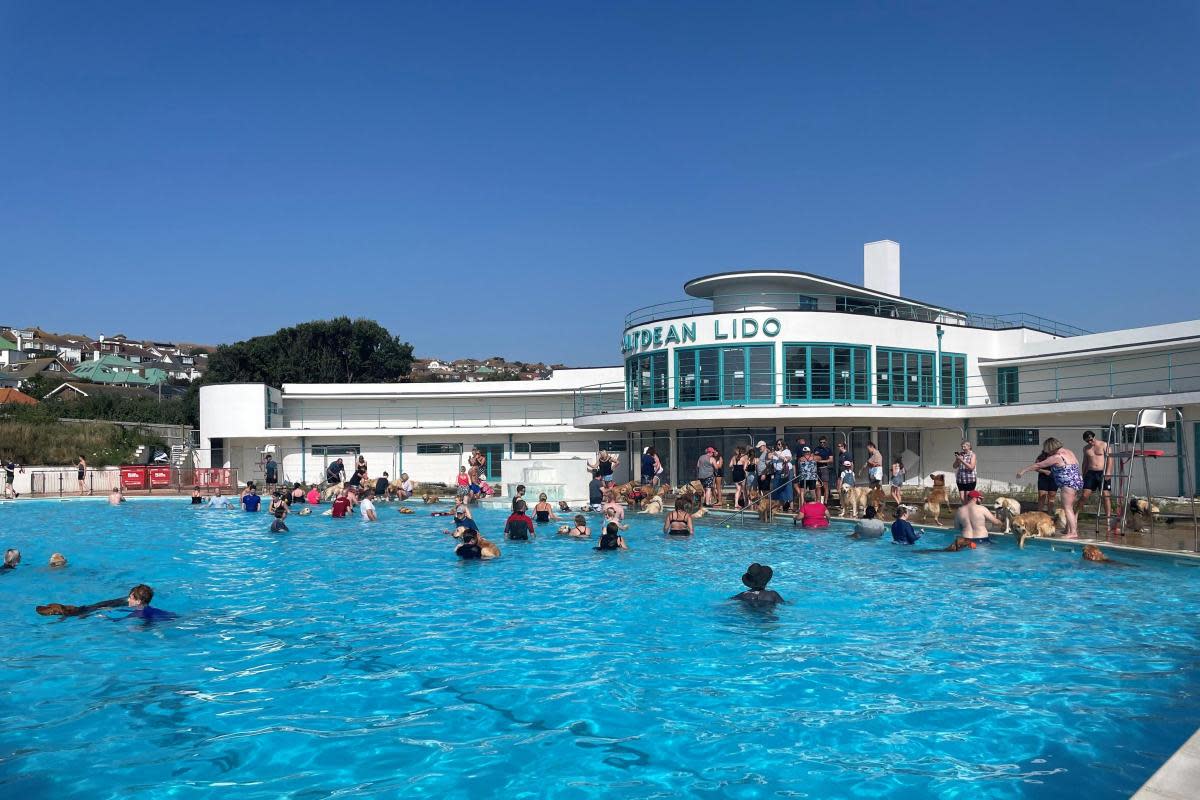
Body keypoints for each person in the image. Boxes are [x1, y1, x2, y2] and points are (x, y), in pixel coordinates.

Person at [1017, 438, 1084, 538]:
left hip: (1068, 484)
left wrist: (1023, 470)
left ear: (1050, 448)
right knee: (1070, 507)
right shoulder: (1069, 452)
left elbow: (1038, 465)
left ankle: (1073, 532)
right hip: (1077, 481)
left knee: (1068, 508)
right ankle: (1069, 529)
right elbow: (1076, 464)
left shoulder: (1057, 457)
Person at [1080, 430, 1113, 522]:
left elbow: (1110, 459)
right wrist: (1083, 475)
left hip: (1102, 472)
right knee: (1084, 495)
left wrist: (1109, 471)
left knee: (1105, 495)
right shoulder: (1086, 448)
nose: (1090, 442)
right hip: (1091, 473)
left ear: (1094, 437)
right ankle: (1076, 514)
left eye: (1091, 439)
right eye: (1087, 441)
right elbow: (1085, 462)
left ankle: (1108, 518)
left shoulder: (1104, 445)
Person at [1034, 446, 1057, 516]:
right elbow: (1036, 468)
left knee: (1052, 496)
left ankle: (1049, 515)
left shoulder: (1057, 456)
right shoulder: (1041, 457)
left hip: (1053, 478)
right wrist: (1044, 471)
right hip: (1043, 477)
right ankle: (1039, 515)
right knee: (1042, 496)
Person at [815, 437, 834, 504]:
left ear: (826, 442)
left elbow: (831, 460)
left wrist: (821, 461)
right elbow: (814, 458)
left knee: (825, 486)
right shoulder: (816, 449)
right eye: (821, 442)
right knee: (818, 486)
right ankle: (819, 502)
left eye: (824, 442)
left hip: (824, 468)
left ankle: (825, 502)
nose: (822, 443)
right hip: (817, 469)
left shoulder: (828, 450)